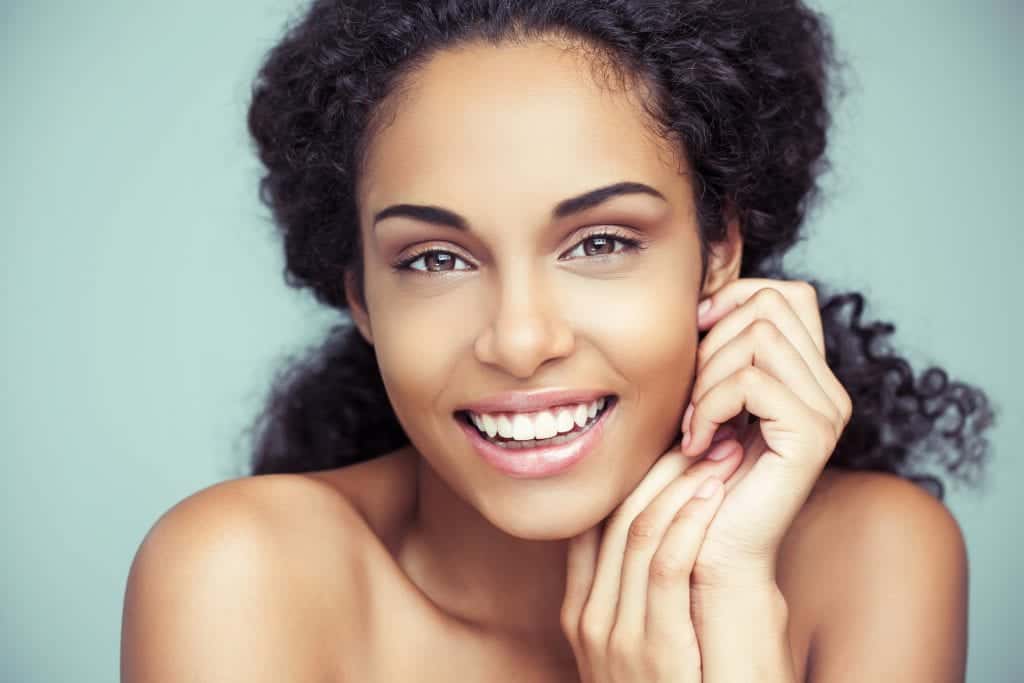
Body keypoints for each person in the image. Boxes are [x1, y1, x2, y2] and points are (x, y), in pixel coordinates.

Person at [121, 1, 994, 681]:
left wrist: (728, 595)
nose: (521, 338)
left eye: (601, 243)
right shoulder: (238, 578)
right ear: (361, 296)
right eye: (434, 258)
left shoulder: (874, 561)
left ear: (718, 251)